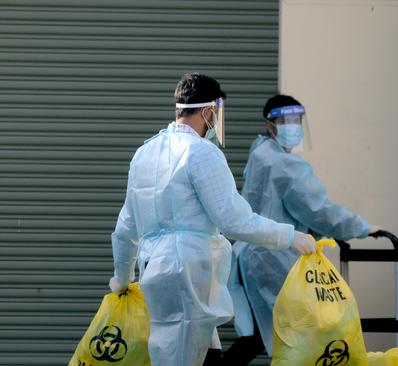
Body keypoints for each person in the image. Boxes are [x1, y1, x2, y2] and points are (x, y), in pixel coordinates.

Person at [109, 74, 316, 366]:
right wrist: (289, 236)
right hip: (189, 275)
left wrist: (121, 278)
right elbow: (233, 219)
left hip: (153, 273)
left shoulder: (144, 153)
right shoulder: (202, 152)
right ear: (209, 111)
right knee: (182, 356)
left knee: (204, 355)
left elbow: (125, 228)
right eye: (217, 113)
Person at [221, 95, 380, 365]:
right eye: (286, 121)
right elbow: (318, 210)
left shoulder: (262, 152)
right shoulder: (284, 164)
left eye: (298, 120)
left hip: (256, 256)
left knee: (259, 335)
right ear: (270, 125)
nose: (293, 126)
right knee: (299, 331)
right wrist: (364, 228)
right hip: (276, 258)